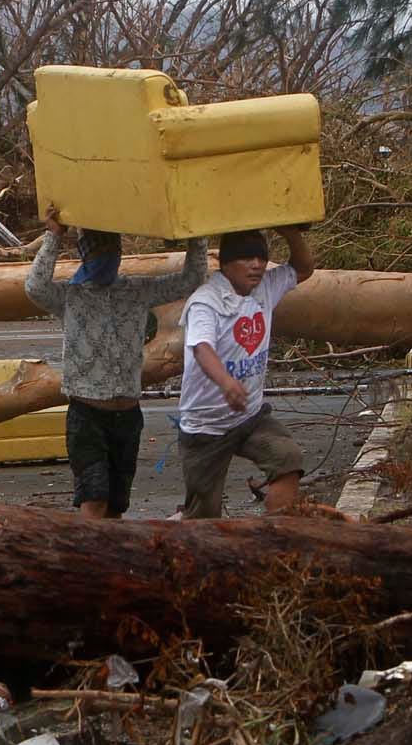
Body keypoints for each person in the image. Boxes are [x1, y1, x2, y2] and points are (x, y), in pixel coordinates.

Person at [25, 209, 207, 519]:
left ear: (120, 252)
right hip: (87, 416)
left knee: (116, 505)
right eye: (97, 251)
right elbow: (35, 287)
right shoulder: (72, 295)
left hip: (127, 416)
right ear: (84, 253)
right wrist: (55, 236)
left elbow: (190, 278)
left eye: (111, 251)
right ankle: (89, 563)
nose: (105, 258)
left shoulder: (135, 291)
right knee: (93, 499)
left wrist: (196, 237)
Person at [176, 224, 318, 518]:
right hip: (206, 426)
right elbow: (202, 347)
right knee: (203, 515)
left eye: (261, 258)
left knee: (287, 458)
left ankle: (274, 540)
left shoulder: (265, 286)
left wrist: (290, 232)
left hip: (249, 417)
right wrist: (226, 382)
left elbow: (304, 269)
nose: (256, 265)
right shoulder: (205, 302)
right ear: (226, 263)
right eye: (246, 258)